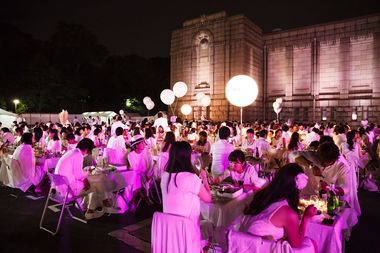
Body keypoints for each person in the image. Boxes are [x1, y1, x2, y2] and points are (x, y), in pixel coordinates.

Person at [239, 163, 318, 253]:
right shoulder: (288, 213)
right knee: (311, 244)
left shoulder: (261, 196)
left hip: (244, 246)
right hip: (261, 249)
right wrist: (306, 218)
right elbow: (297, 244)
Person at [54, 138, 118, 219]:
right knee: (97, 184)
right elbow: (79, 176)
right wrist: (88, 171)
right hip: (69, 190)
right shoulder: (78, 155)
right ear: (87, 149)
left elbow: (75, 173)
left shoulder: (72, 152)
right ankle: (102, 206)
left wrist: (86, 175)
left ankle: (94, 209)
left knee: (96, 181)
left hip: (60, 186)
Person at [161, 141, 211, 225]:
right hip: (187, 229)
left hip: (169, 227)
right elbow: (208, 199)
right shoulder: (190, 178)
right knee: (210, 225)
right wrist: (204, 178)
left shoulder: (165, 176)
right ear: (187, 156)